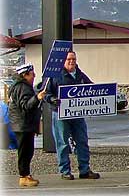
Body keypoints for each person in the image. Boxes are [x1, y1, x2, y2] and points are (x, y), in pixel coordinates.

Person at [44, 51, 100, 180]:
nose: (71, 61)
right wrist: (52, 99)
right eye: (69, 59)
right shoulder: (54, 75)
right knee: (63, 143)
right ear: (63, 61)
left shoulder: (80, 74)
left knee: (82, 141)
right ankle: (65, 171)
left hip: (78, 114)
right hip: (60, 114)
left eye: (73, 59)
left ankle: (85, 170)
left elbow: (91, 88)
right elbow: (44, 92)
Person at [8, 63, 45, 187]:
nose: (34, 75)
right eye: (32, 73)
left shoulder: (19, 86)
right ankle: (23, 176)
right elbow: (26, 105)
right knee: (25, 152)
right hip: (23, 124)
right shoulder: (23, 87)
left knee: (27, 151)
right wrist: (37, 98)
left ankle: (26, 174)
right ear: (25, 75)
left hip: (23, 124)